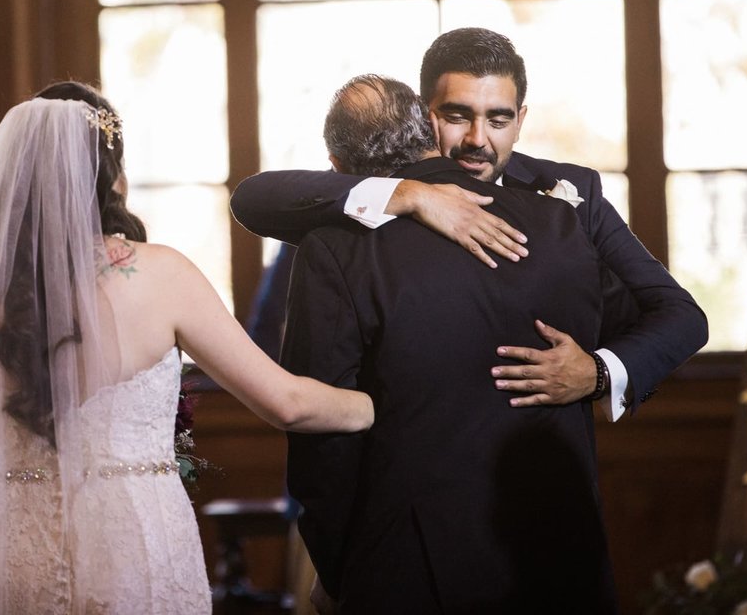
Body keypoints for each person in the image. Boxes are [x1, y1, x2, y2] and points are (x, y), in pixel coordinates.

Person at [0, 81, 374, 615]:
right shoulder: (161, 273)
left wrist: (25, 472)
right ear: (114, 176)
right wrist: (378, 403)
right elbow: (286, 402)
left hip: (15, 558)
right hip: (133, 549)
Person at [231, 27, 707, 421]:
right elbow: (255, 197)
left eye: (498, 120)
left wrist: (599, 375)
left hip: (546, 464)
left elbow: (683, 319)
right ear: (423, 113)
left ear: (520, 120)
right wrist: (409, 194)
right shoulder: (377, 193)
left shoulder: (573, 193)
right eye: (457, 116)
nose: (477, 140)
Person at [285, 75, 616, 612]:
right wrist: (602, 373)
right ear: (428, 133)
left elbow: (323, 441)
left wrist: (337, 565)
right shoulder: (559, 224)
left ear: (335, 166)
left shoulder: (335, 252)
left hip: (406, 565)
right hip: (560, 556)